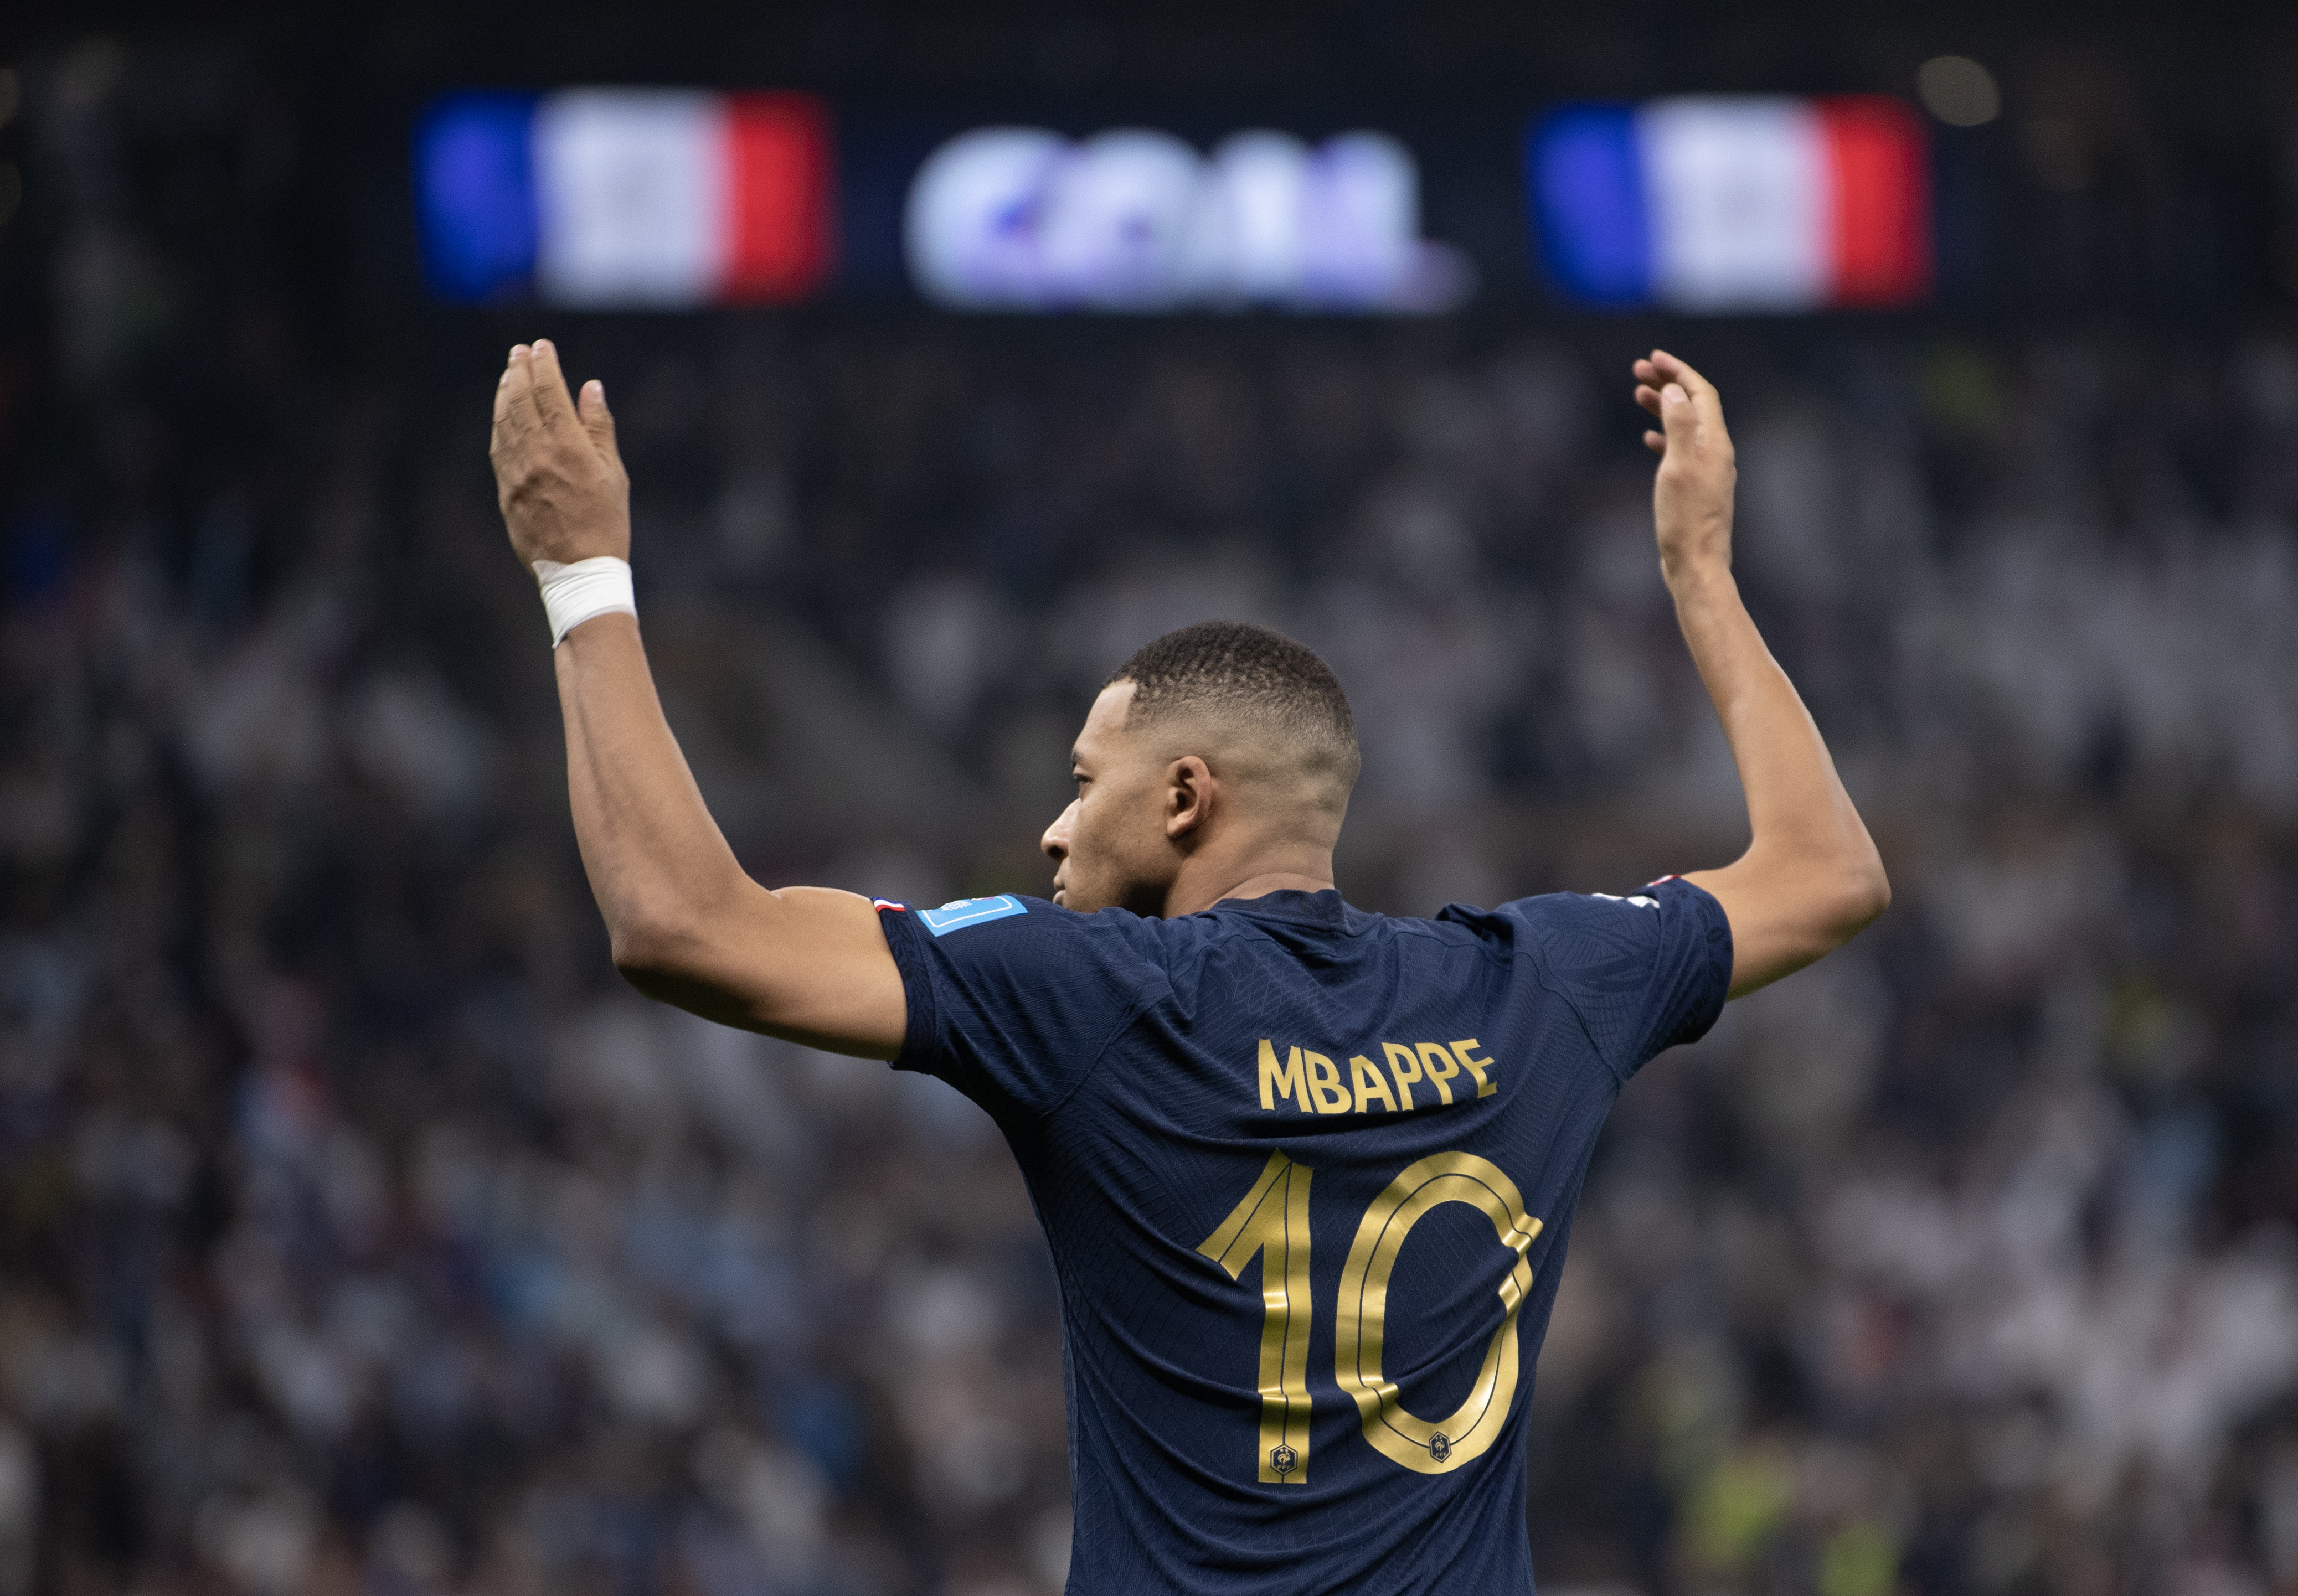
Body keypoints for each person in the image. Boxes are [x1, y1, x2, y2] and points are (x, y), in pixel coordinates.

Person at [487, 339, 1888, 1593]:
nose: (1049, 824)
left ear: (1182, 799)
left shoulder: (1087, 991)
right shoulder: (1538, 986)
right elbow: (1826, 873)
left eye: (1082, 779)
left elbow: (682, 923)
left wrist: (581, 577)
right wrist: (1698, 574)